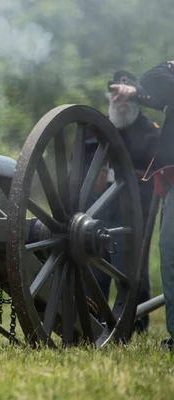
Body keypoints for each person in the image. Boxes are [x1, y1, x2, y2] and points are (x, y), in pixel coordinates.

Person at [87, 70, 160, 334]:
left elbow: (155, 176)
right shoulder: (91, 130)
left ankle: (135, 325)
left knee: (131, 271)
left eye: (125, 94)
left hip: (133, 213)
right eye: (115, 93)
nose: (120, 100)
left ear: (136, 98)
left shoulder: (151, 133)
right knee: (95, 272)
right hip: (97, 212)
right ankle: (94, 324)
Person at [110, 60, 174, 351]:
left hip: (142, 198)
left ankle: (150, 325)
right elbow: (155, 80)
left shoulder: (149, 128)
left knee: (156, 256)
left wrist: (136, 91)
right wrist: (135, 91)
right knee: (169, 253)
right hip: (115, 202)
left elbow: (153, 80)